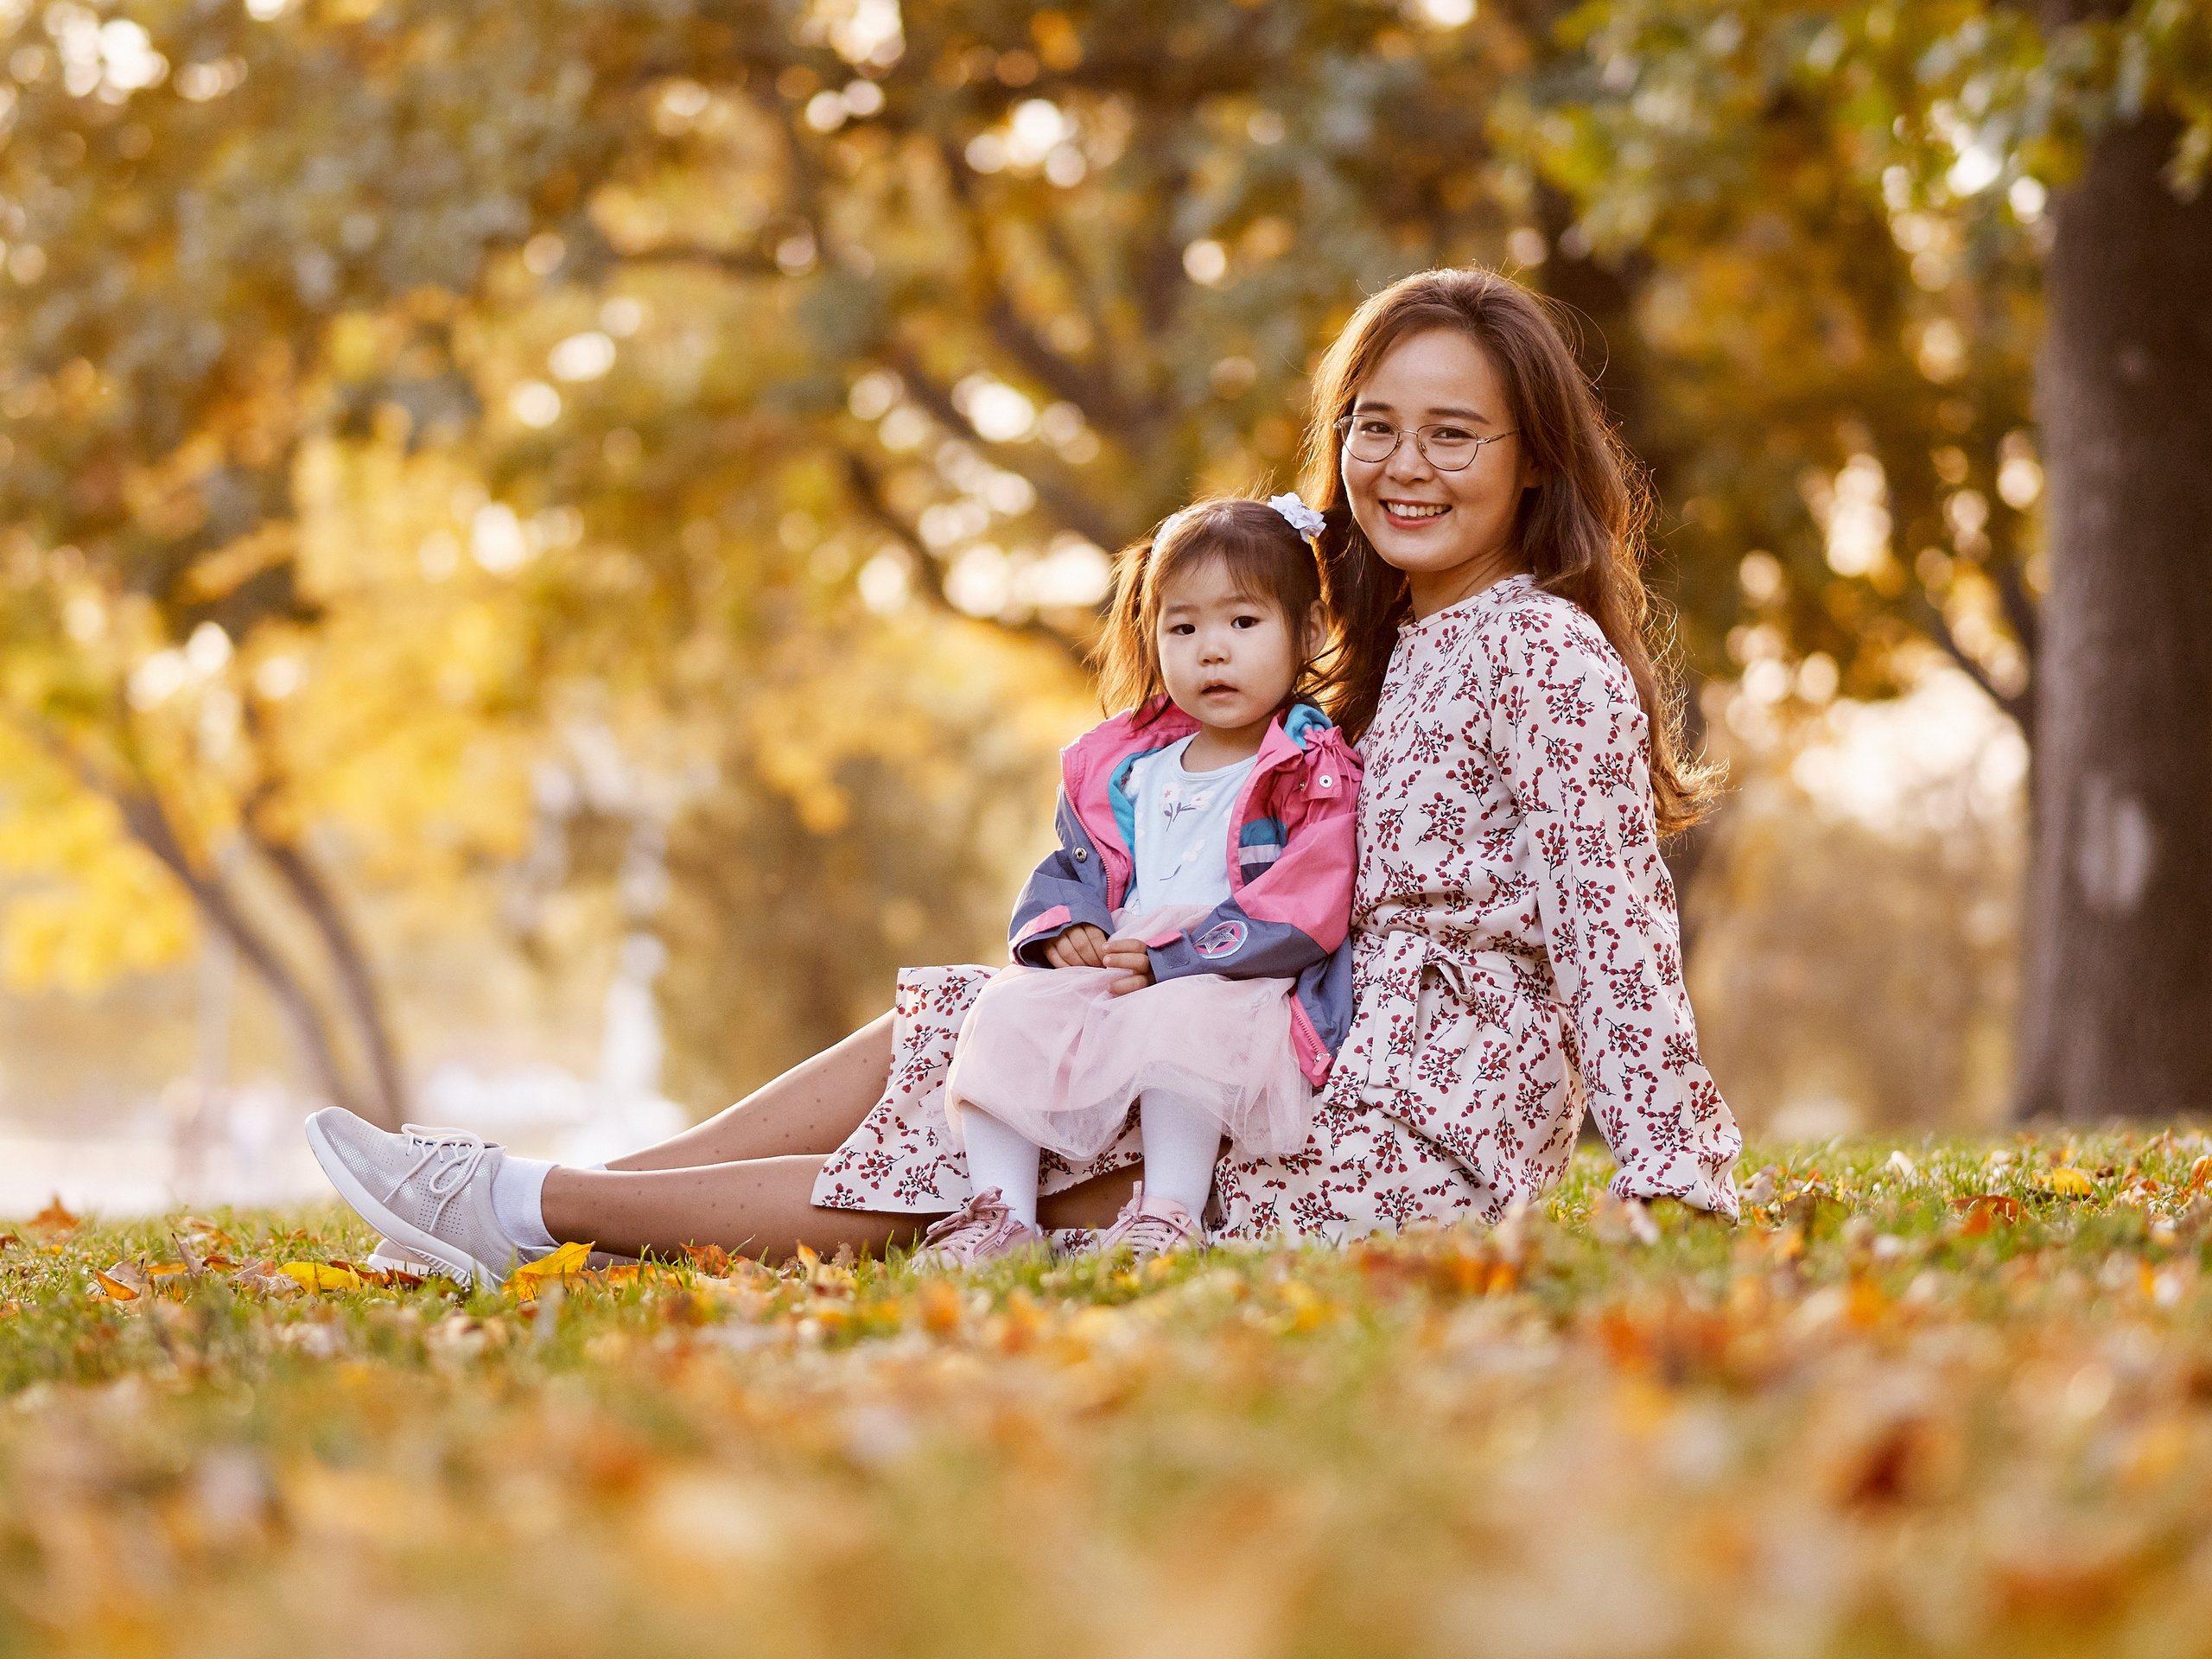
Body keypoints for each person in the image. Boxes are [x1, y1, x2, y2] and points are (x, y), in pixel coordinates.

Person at [305, 263, 1739, 1287]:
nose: (1404, 464)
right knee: (967, 1024)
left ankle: (519, 1202)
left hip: (1402, 1123)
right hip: (1291, 1040)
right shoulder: (1392, 649)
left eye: (1453, 433)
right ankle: (581, 1205)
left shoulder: (1541, 652)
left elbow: (1613, 924)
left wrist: (1677, 1179)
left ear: (1532, 462)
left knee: (973, 1146)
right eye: (1377, 423)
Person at [908, 494, 1361, 1268]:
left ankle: (1167, 1213)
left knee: (1183, 1025)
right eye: (1183, 628)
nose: (1211, 652)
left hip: (1229, 971)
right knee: (1007, 1010)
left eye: (1242, 624)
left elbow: (1309, 898)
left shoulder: (1306, 767)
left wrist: (1181, 958)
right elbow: (1073, 869)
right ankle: (1001, 1217)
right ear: (1153, 638)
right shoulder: (1128, 770)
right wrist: (1067, 927)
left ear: (1309, 631)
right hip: (1126, 964)